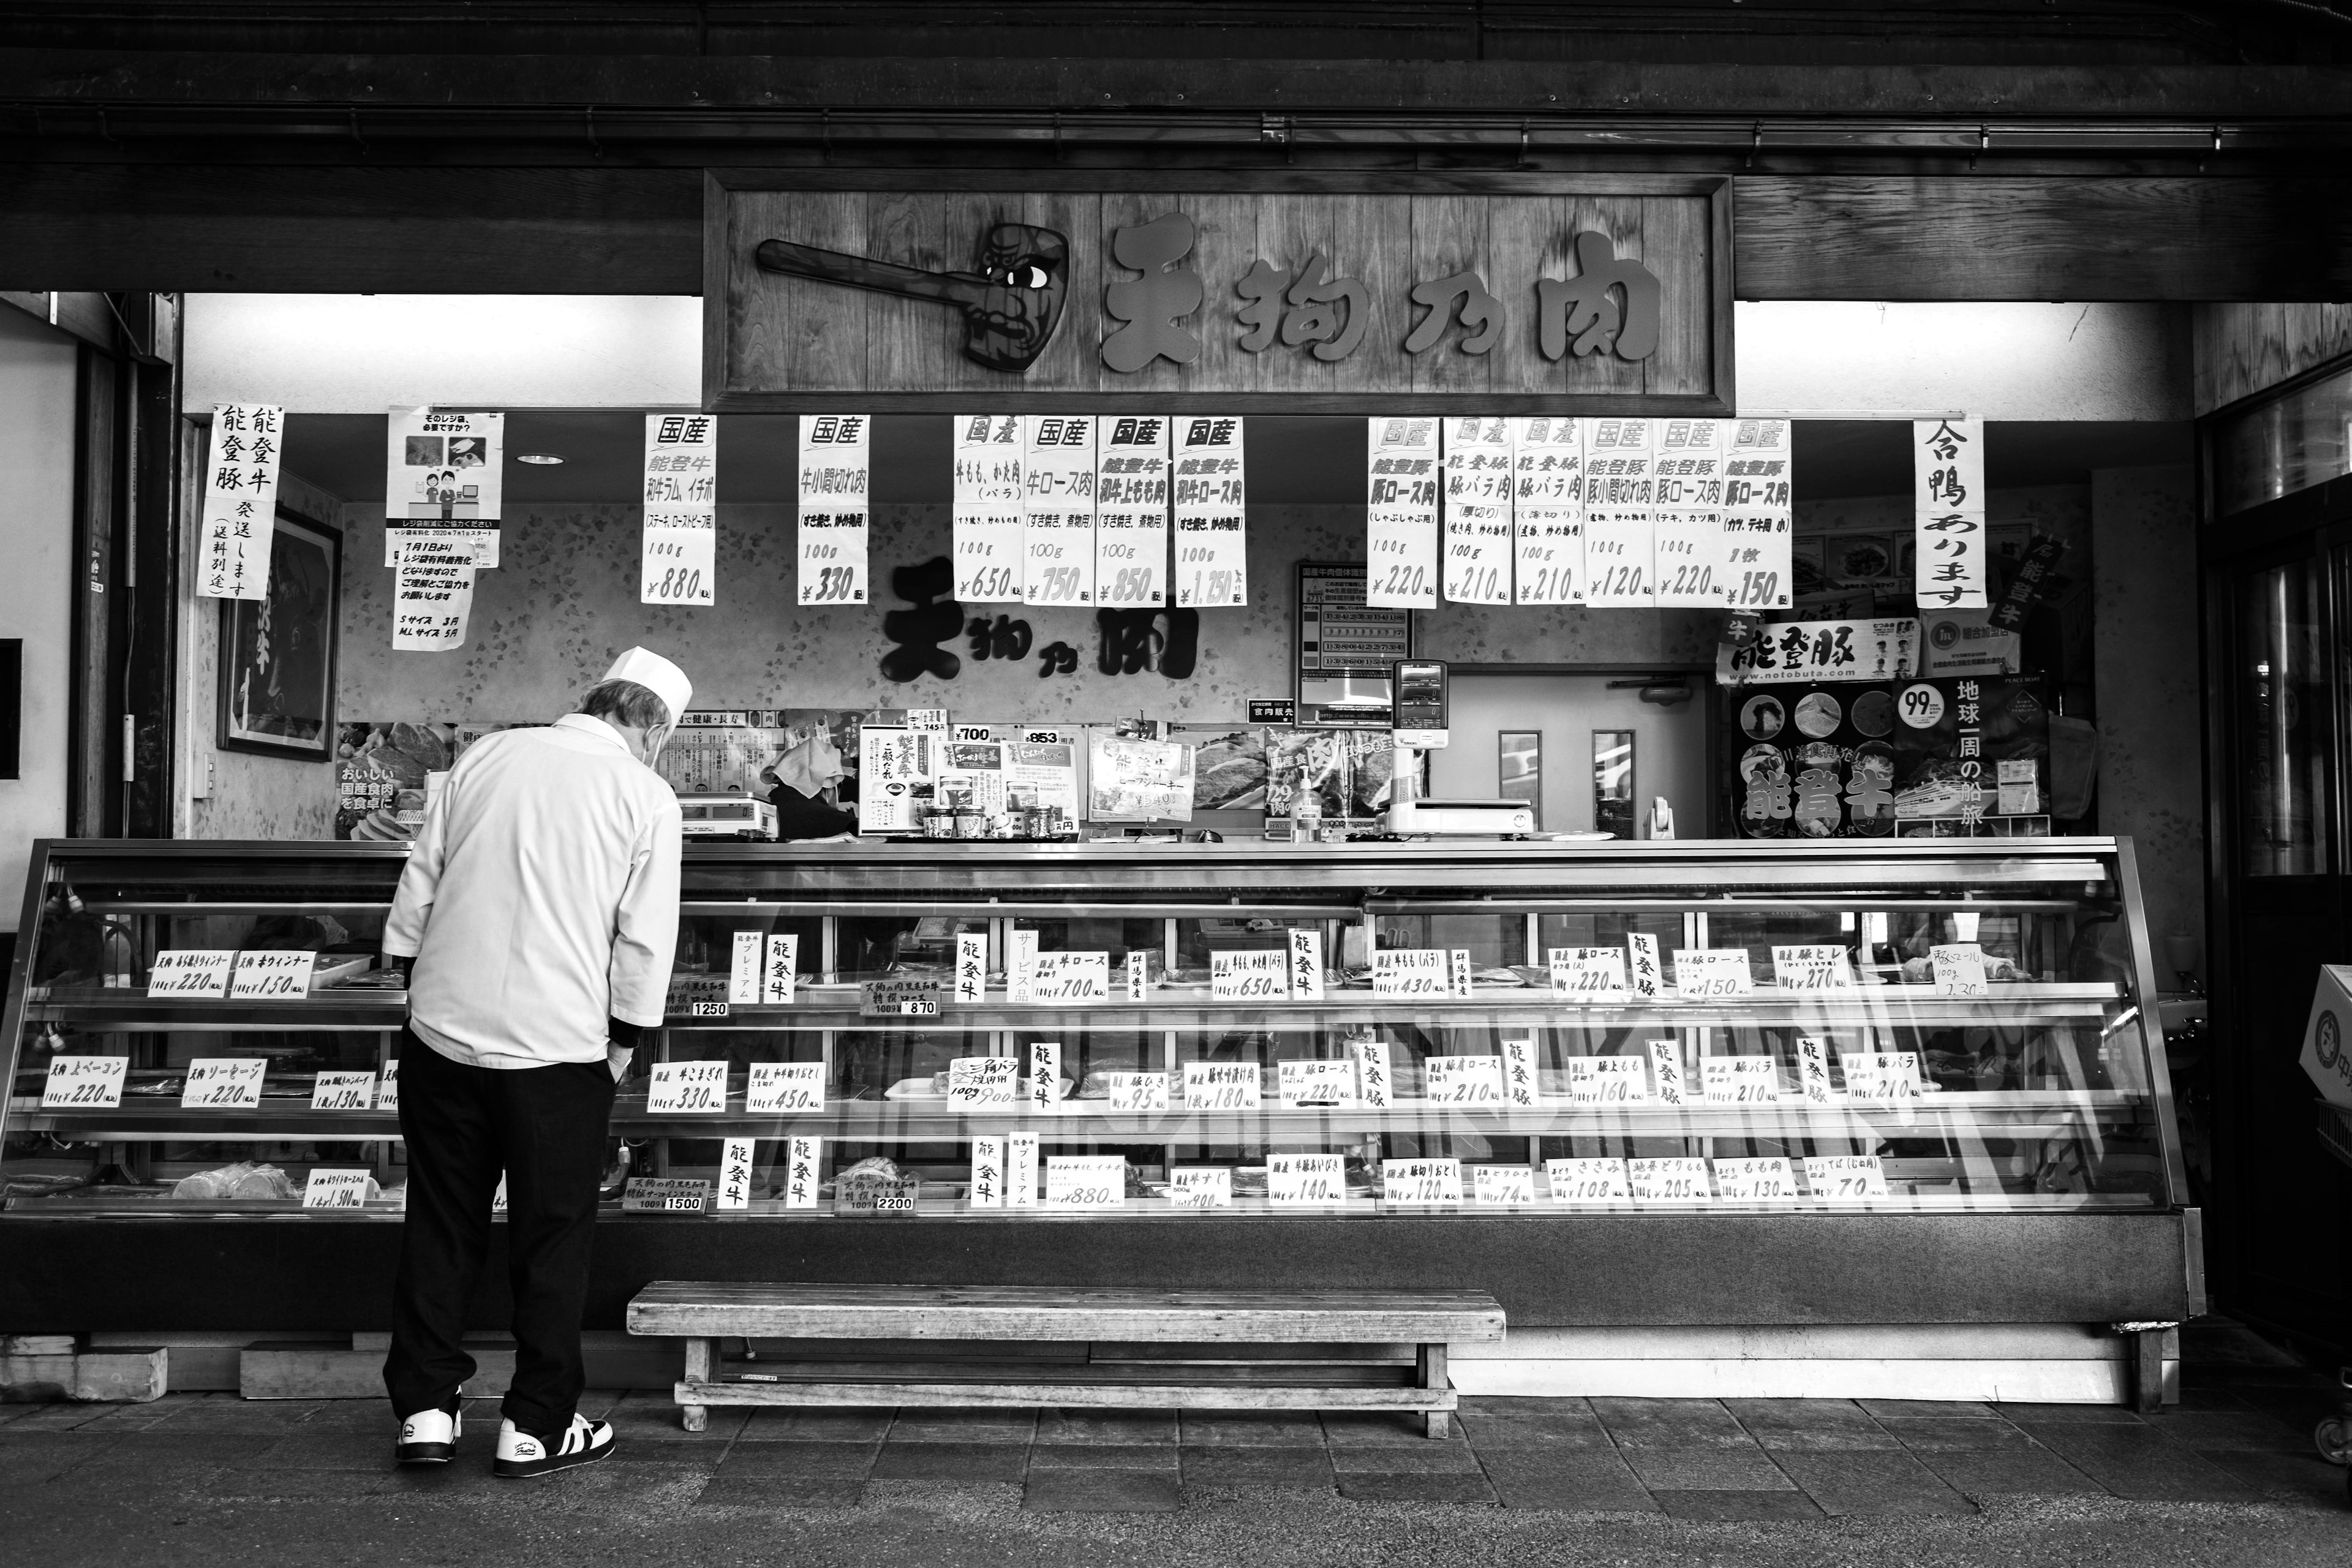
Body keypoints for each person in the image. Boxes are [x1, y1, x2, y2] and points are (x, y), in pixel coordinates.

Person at [380, 647, 690, 1479]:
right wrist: (623, 1042)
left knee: (441, 1221)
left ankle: (424, 1413)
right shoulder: (645, 794)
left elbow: (421, 881)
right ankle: (537, 1424)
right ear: (653, 725)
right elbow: (645, 938)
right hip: (559, 1048)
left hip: (443, 1033)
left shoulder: (487, 754)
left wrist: (416, 983)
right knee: (552, 1237)